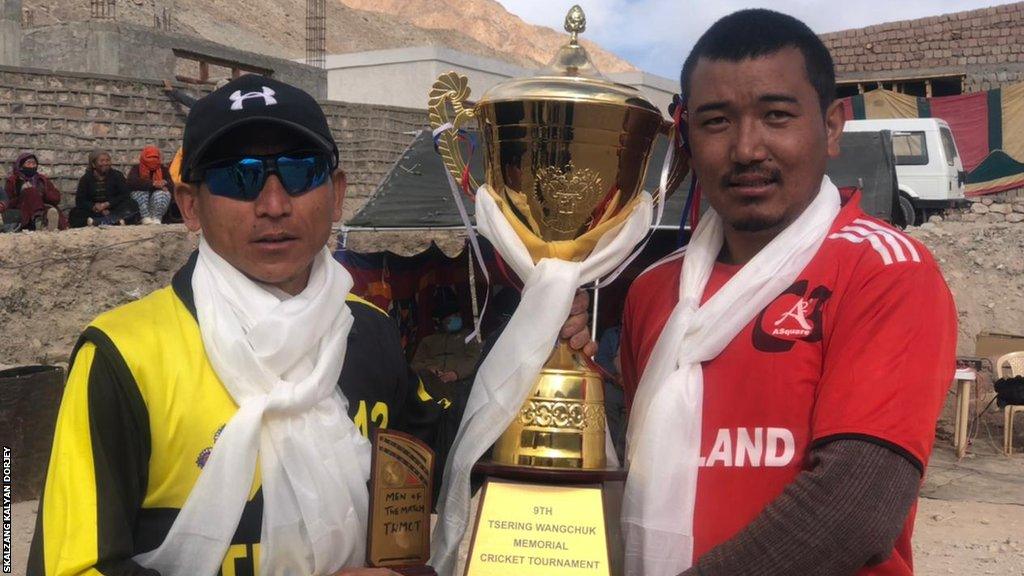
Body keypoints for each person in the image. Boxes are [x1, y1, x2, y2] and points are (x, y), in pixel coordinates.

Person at [29, 74, 592, 576]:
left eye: (299, 173)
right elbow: (71, 565)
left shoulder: (366, 332)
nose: (274, 204)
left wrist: (536, 338)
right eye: (239, 177)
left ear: (338, 192)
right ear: (190, 205)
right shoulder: (123, 355)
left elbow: (442, 458)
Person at [619, 10, 957, 576]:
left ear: (830, 126)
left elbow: (855, 508)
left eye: (776, 116)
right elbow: (633, 468)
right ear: (688, 138)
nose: (747, 148)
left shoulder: (885, 271)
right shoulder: (655, 291)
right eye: (716, 122)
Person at [411, 286, 482, 388]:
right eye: (451, 317)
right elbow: (414, 366)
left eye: (458, 315)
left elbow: (475, 360)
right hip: (431, 385)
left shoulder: (470, 336)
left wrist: (456, 374)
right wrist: (428, 369)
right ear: (442, 322)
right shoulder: (428, 341)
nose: (456, 318)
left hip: (461, 384)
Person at [69, 150, 138, 227]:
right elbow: (80, 200)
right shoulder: (86, 179)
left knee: (132, 204)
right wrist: (94, 207)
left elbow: (125, 195)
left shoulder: (117, 175)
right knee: (75, 213)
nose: (105, 163)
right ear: (93, 164)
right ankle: (114, 221)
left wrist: (107, 204)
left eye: (107, 160)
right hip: (95, 211)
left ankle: (98, 222)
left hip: (113, 209)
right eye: (101, 161)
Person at [2, 153, 64, 231]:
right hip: (22, 207)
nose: (31, 166)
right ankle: (39, 222)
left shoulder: (42, 180)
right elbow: (8, 202)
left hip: (42, 206)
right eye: (28, 163)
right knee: (30, 191)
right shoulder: (13, 181)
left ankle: (48, 225)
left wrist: (42, 193)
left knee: (50, 211)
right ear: (21, 166)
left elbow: (56, 198)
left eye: (34, 163)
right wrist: (23, 193)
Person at [126, 145, 174, 224]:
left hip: (156, 203)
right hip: (142, 204)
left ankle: (156, 218)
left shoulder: (163, 169)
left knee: (164, 194)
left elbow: (171, 185)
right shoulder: (136, 168)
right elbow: (131, 182)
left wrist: (164, 184)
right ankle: (145, 218)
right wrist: (153, 184)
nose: (152, 160)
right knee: (140, 193)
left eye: (155, 157)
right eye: (149, 157)